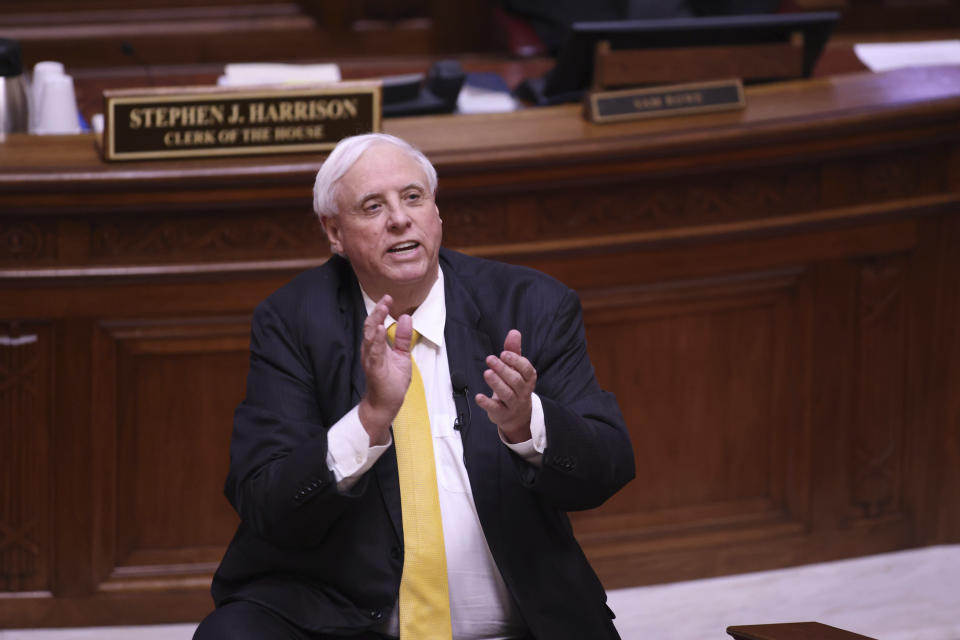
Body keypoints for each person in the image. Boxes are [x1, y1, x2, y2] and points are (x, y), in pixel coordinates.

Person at [194, 133, 635, 640]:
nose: (399, 218)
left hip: (523, 621)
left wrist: (526, 424)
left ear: (437, 214)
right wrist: (369, 418)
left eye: (413, 197)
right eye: (372, 206)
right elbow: (267, 502)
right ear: (334, 232)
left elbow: (609, 466)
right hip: (345, 619)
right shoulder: (292, 321)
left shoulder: (531, 303)